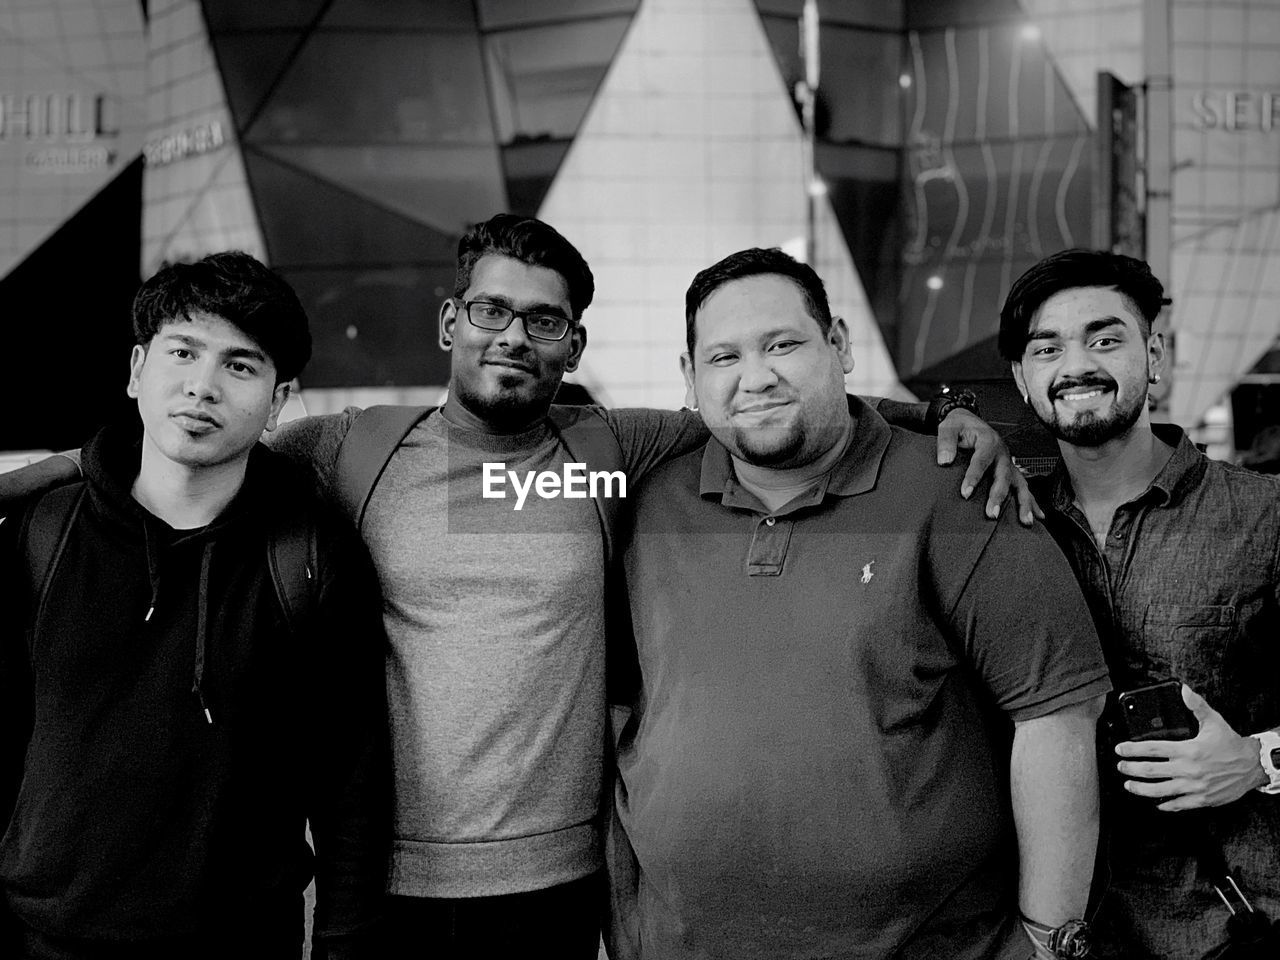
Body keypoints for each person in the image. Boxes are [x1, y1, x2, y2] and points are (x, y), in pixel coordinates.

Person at [0, 214, 1034, 957]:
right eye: (492, 310)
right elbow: (187, 449)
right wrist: (46, 474)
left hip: (555, 885)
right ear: (451, 323)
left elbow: (763, 404)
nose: (514, 335)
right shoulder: (355, 449)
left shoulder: (605, 450)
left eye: (544, 322)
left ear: (572, 346)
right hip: (380, 885)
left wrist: (939, 415)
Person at [609, 247, 1111, 960]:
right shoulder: (649, 500)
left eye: (783, 344)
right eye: (724, 357)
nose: (756, 377)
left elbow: (1058, 712)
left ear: (838, 345)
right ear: (689, 379)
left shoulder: (961, 490)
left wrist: (1047, 941)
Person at [0, 253, 391, 959]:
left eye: (241, 366)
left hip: (240, 942)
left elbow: (352, 786)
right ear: (136, 369)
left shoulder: (311, 556)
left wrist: (343, 944)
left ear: (278, 401)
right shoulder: (43, 534)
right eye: (183, 352)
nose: (202, 387)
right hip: (47, 938)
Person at [999, 249, 1280, 959]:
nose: (1077, 365)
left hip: (1229, 925)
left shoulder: (1264, 515)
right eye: (1047, 348)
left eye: (1105, 338)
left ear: (1153, 353)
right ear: (1021, 378)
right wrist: (944, 414)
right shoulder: (1002, 521)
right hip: (1053, 930)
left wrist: (1257, 759)